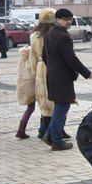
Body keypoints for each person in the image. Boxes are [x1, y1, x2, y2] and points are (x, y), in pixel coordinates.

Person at [42, 8, 92, 151]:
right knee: (62, 108)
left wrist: (52, 68)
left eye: (70, 19)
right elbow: (72, 59)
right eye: (65, 19)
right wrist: (86, 73)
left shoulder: (50, 34)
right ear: (57, 20)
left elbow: (45, 57)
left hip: (52, 76)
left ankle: (49, 135)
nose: (68, 21)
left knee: (60, 106)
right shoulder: (63, 37)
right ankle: (57, 141)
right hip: (62, 77)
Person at [27, 9, 56, 140]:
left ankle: (45, 129)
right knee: (54, 99)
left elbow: (32, 55)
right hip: (52, 66)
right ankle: (47, 130)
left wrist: (34, 72)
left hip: (40, 66)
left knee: (44, 99)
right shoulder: (54, 34)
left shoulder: (34, 35)